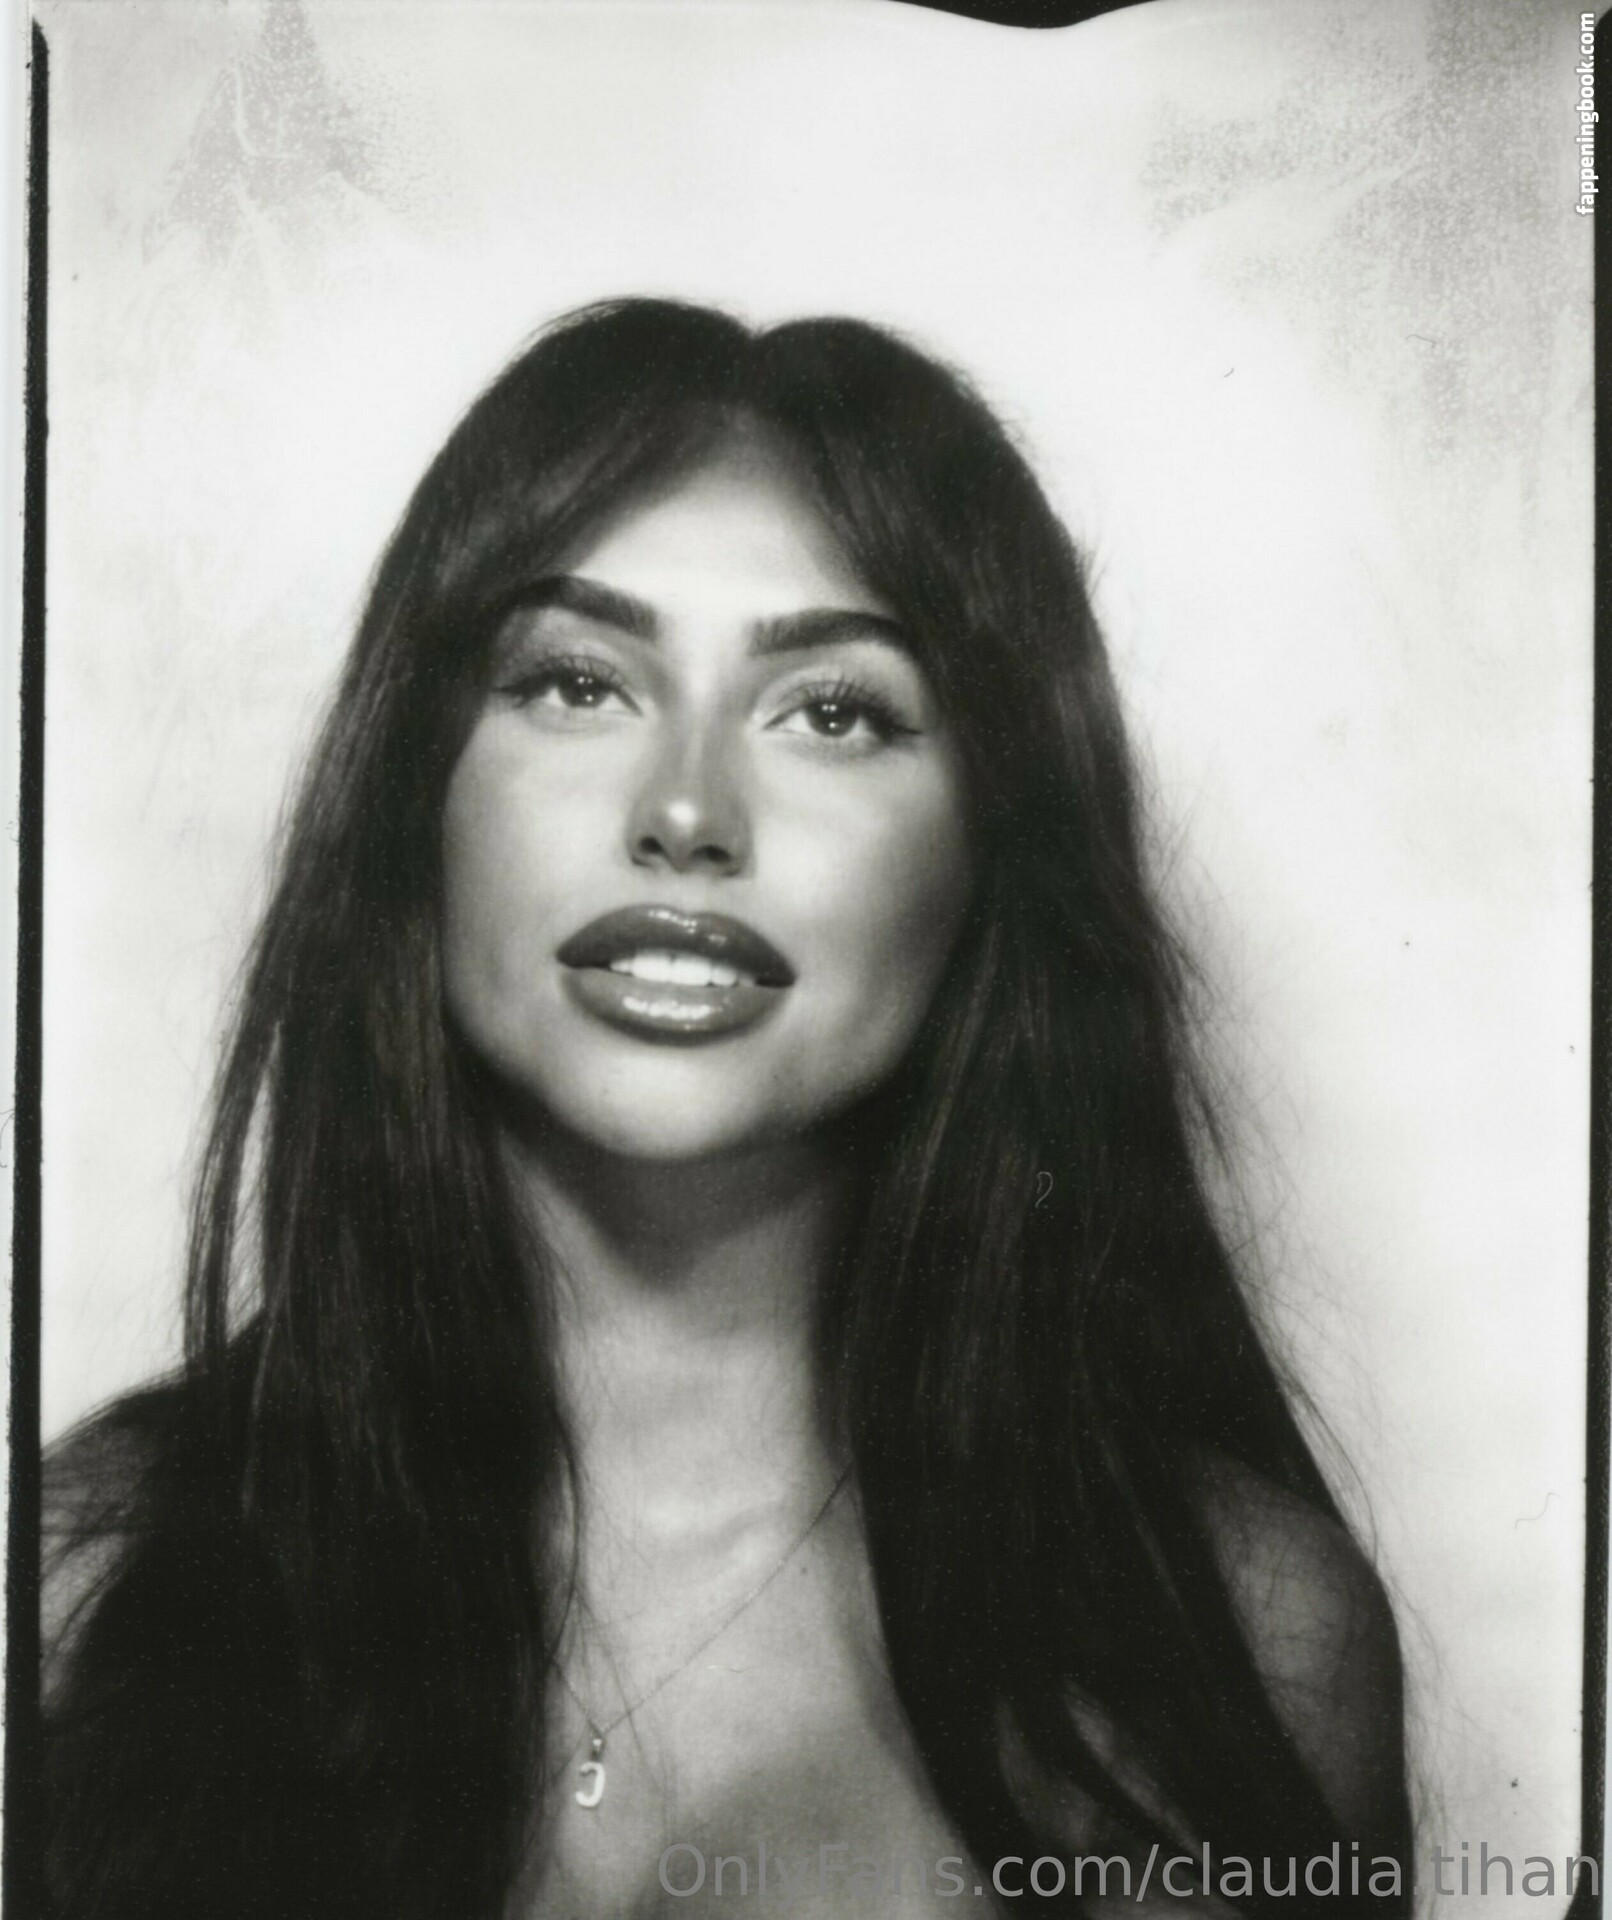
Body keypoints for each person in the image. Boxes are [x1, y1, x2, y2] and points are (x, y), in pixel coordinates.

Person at [42, 298, 1411, 1918]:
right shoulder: (75, 1580)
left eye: (834, 712)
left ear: (992, 857)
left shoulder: (1245, 1641)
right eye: (576, 683)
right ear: (415, 794)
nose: (687, 813)